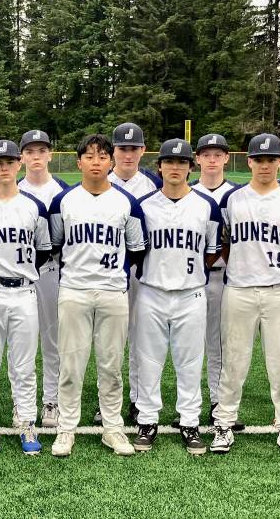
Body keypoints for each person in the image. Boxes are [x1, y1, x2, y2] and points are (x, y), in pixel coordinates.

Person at [211, 133, 280, 457]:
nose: (265, 164)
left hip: (279, 290)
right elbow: (224, 244)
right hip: (238, 289)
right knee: (234, 361)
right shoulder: (232, 199)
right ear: (249, 161)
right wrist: (246, 266)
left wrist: (275, 270)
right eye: (259, 159)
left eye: (271, 159)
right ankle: (224, 423)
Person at [48, 133, 146, 457]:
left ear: (111, 162)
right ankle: (66, 429)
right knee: (71, 364)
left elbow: (136, 249)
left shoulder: (126, 202)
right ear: (78, 162)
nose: (96, 162)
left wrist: (116, 272)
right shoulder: (63, 201)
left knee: (111, 364)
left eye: (102, 156)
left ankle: (113, 428)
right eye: (89, 156)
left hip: (113, 291)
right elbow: (56, 242)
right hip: (74, 289)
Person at [132, 139, 221, 455]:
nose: (175, 167)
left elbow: (211, 252)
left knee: (190, 362)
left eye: (181, 163)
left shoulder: (205, 206)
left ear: (190, 167)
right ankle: (147, 420)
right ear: (160, 166)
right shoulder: (142, 205)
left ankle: (190, 422)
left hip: (190, 293)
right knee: (148, 361)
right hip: (151, 292)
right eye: (169, 162)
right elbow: (136, 249)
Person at [0, 140, 52, 456]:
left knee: (24, 364)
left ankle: (27, 422)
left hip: (24, 292)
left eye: (9, 162)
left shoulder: (33, 207)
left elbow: (44, 250)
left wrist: (21, 272)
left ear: (19, 164)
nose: (4, 167)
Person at [106, 122, 161, 424]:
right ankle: (108, 399)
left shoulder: (153, 183)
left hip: (142, 272)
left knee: (140, 337)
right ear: (114, 151)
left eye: (133, 148)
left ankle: (138, 398)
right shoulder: (101, 181)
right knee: (110, 339)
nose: (127, 154)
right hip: (109, 273)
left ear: (142, 151)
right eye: (122, 148)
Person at [190, 133, 243, 430]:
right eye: (206, 154)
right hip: (193, 279)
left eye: (217, 154)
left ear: (226, 157)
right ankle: (191, 404)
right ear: (197, 159)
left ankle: (218, 402)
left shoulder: (237, 195)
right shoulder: (186, 192)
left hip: (226, 276)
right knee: (192, 343)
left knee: (221, 344)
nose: (212, 159)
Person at [17, 129, 70, 428]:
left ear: (50, 154)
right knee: (20, 341)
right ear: (22, 156)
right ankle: (19, 401)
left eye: (41, 151)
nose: (36, 157)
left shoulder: (63, 192)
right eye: (30, 151)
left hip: (51, 270)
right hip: (19, 274)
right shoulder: (12, 188)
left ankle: (51, 400)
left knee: (52, 339)